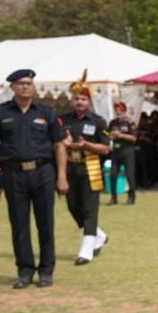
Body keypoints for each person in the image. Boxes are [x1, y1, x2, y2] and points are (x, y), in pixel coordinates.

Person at [0, 68, 69, 288]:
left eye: (29, 83)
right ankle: (25, 271)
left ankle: (46, 271)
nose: (25, 86)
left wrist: (61, 176)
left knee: (46, 224)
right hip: (13, 174)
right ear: (11, 87)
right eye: (20, 83)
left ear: (33, 87)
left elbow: (59, 146)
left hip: (43, 173)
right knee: (19, 225)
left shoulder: (47, 113)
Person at [62, 72, 110, 265]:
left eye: (83, 98)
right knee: (73, 206)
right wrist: (62, 142)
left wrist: (86, 146)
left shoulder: (98, 122)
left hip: (90, 167)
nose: (79, 102)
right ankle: (98, 234)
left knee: (90, 209)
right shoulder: (61, 120)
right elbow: (54, 141)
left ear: (88, 101)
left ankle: (86, 250)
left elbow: (105, 148)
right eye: (76, 99)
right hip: (69, 167)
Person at [108, 101, 137, 204]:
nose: (118, 112)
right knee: (113, 174)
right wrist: (111, 135)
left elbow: (134, 138)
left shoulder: (130, 122)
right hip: (116, 151)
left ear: (124, 111)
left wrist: (120, 135)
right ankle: (113, 197)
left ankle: (131, 197)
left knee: (129, 175)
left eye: (120, 110)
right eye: (116, 110)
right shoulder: (112, 122)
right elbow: (108, 133)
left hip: (127, 151)